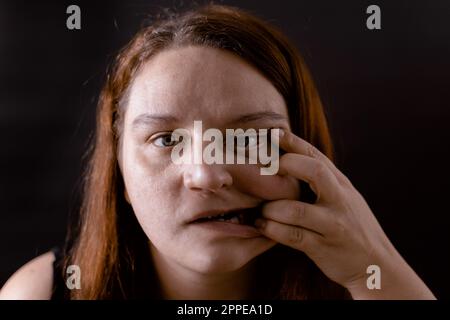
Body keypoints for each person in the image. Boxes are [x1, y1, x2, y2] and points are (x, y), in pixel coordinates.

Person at [0, 4, 436, 300]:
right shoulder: (41, 293)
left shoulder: (369, 288)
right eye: (167, 141)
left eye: (249, 140)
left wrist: (372, 271)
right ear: (120, 176)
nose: (208, 176)